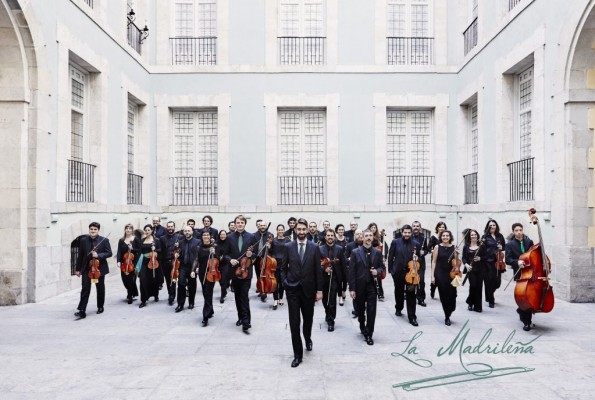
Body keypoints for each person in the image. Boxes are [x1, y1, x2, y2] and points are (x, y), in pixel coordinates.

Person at [280, 218, 324, 367]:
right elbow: (282, 268)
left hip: (308, 291)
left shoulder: (314, 247)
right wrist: (285, 283)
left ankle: (308, 338)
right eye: (298, 229)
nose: (301, 232)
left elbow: (318, 271)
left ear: (307, 230)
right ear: (295, 230)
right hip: (292, 290)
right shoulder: (288, 247)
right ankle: (297, 355)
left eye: (303, 229)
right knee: (294, 323)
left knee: (308, 320)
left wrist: (319, 290)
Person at [349, 229, 384, 345]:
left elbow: (382, 268)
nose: (368, 238)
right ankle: (361, 324)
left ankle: (369, 334)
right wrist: (352, 289)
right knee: (360, 310)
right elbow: (352, 271)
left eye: (370, 236)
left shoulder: (378, 252)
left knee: (372, 310)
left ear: (373, 238)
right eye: (366, 236)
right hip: (359, 287)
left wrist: (377, 272)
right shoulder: (355, 252)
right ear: (362, 238)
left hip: (372, 287)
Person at [74, 222, 113, 319]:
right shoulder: (83, 240)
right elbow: (81, 256)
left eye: (95, 229)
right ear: (89, 230)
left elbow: (109, 253)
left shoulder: (104, 240)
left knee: (100, 288)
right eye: (91, 229)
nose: (93, 231)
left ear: (98, 230)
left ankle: (100, 306)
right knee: (85, 289)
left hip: (99, 269)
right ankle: (82, 310)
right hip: (87, 268)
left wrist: (98, 255)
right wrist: (78, 269)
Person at [227, 215, 256, 333]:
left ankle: (246, 322)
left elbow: (256, 254)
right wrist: (230, 259)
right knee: (237, 296)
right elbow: (225, 253)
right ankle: (240, 316)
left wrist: (251, 255)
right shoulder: (229, 237)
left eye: (242, 223)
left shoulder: (251, 237)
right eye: (238, 223)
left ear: (245, 224)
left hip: (246, 271)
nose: (240, 224)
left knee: (244, 296)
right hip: (234, 271)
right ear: (235, 224)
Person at [387, 225, 420, 326]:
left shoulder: (416, 244)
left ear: (411, 233)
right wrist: (391, 270)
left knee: (411, 294)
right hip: (398, 272)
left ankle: (412, 317)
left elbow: (419, 259)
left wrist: (417, 258)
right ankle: (399, 307)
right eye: (405, 232)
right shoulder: (395, 242)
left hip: (411, 273)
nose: (407, 234)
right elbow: (390, 256)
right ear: (402, 232)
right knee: (399, 291)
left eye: (409, 233)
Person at [505, 223, 535, 331]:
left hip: (531, 273)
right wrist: (517, 262)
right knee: (523, 297)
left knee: (530, 296)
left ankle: (525, 315)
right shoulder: (510, 245)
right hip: (520, 274)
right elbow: (507, 260)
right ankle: (526, 321)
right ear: (513, 232)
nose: (519, 232)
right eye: (516, 230)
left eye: (520, 230)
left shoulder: (529, 242)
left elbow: (534, 255)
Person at [319, 229, 346, 332]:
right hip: (323, 278)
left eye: (331, 235)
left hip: (335, 278)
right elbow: (317, 264)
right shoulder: (320, 249)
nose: (330, 237)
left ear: (334, 237)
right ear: (325, 237)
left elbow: (343, 265)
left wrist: (344, 283)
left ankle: (331, 321)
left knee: (332, 300)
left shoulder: (339, 249)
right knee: (324, 299)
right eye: (328, 235)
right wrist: (324, 269)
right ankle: (327, 312)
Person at [194, 231, 222, 327]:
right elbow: (196, 259)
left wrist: (214, 253)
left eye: (207, 235)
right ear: (202, 237)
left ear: (210, 237)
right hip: (202, 272)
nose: (206, 236)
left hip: (212, 272)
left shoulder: (215, 247)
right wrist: (193, 270)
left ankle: (205, 316)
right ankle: (210, 310)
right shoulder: (199, 247)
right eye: (204, 235)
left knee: (208, 292)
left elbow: (219, 259)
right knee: (205, 292)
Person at [431, 230, 458, 326]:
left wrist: (458, 254)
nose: (445, 237)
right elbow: (434, 262)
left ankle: (450, 310)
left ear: (450, 237)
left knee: (453, 295)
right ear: (441, 237)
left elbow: (457, 262)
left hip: (451, 273)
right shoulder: (437, 247)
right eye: (443, 236)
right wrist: (432, 276)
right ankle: (447, 316)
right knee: (443, 295)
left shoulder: (454, 247)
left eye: (447, 235)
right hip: (440, 273)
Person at [174, 226, 200, 312]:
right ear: (183, 232)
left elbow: (199, 256)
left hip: (193, 266)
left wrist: (197, 267)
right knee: (181, 284)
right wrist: (176, 254)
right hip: (183, 266)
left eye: (189, 231)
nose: (187, 232)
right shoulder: (180, 242)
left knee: (192, 285)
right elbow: (176, 252)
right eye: (185, 231)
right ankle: (180, 304)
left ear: (192, 232)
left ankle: (191, 302)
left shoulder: (198, 242)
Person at [481, 220, 506, 308]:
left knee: (497, 283)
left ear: (496, 226)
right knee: (489, 281)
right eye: (490, 225)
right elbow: (481, 249)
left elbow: (504, 246)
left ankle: (488, 294)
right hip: (488, 262)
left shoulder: (500, 236)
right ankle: (491, 299)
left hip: (498, 262)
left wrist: (501, 247)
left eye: (494, 225)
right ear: (487, 227)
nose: (492, 227)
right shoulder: (485, 237)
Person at [138, 224, 163, 308]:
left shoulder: (156, 240)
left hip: (153, 262)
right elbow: (140, 251)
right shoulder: (142, 240)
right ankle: (143, 300)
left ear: (151, 231)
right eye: (145, 230)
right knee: (142, 280)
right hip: (144, 262)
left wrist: (154, 250)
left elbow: (160, 250)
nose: (147, 231)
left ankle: (155, 295)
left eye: (148, 230)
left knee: (153, 279)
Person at [116, 223, 140, 304]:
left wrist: (132, 248)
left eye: (130, 229)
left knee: (131, 280)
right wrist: (118, 261)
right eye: (127, 228)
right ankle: (132, 292)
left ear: (132, 230)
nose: (128, 230)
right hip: (124, 263)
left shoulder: (135, 239)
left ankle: (130, 296)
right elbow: (119, 252)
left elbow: (139, 250)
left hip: (133, 262)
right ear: (125, 230)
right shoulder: (121, 240)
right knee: (125, 280)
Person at [462, 229, 485, 312]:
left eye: (475, 234)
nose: (474, 236)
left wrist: (480, 258)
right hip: (471, 269)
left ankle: (478, 306)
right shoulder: (466, 247)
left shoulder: (482, 246)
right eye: (472, 235)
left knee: (479, 287)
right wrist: (466, 265)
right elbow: (463, 258)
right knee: (473, 286)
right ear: (470, 237)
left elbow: (486, 257)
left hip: (480, 269)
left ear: (477, 236)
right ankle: (470, 302)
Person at [159, 221, 181, 306]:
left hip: (174, 261)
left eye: (172, 226)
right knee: (168, 280)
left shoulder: (179, 237)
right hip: (165, 261)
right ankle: (170, 293)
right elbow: (160, 250)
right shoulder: (162, 238)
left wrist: (178, 249)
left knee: (174, 278)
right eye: (168, 226)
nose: (170, 228)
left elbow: (181, 249)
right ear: (167, 227)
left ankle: (172, 296)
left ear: (174, 227)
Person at [271, 224, 290, 310]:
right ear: (277, 231)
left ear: (284, 230)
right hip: (274, 264)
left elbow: (290, 252)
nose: (280, 231)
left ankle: (281, 298)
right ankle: (275, 300)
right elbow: (270, 251)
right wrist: (268, 246)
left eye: (282, 230)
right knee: (275, 283)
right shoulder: (273, 241)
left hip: (284, 264)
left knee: (282, 283)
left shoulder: (287, 240)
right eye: (279, 230)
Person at [345, 229, 363, 318]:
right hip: (354, 271)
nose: (359, 235)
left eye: (360, 234)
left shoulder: (365, 244)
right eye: (357, 234)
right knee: (354, 291)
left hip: (364, 272)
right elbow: (346, 257)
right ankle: (356, 310)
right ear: (354, 235)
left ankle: (362, 309)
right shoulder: (349, 245)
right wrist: (350, 260)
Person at [253, 220, 272, 301]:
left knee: (264, 275)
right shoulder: (254, 235)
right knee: (258, 275)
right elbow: (252, 247)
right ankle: (260, 289)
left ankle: (264, 291)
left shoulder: (270, 235)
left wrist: (270, 245)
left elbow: (272, 246)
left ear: (266, 226)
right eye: (261, 225)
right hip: (257, 258)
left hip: (265, 258)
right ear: (258, 226)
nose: (262, 227)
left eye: (264, 225)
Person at [411, 221, 429, 307]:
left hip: (421, 262)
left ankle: (421, 298)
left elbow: (426, 249)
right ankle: (410, 296)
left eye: (417, 226)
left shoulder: (423, 238)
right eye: (414, 226)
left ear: (420, 228)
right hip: (410, 262)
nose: (416, 227)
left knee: (421, 280)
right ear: (412, 227)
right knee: (410, 280)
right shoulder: (408, 236)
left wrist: (424, 252)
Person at [428, 222, 447, 299]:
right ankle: (432, 289)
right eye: (440, 227)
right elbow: (429, 248)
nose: (442, 228)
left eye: (443, 227)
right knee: (436, 275)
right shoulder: (433, 237)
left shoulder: (446, 237)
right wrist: (434, 251)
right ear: (437, 228)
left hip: (444, 258)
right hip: (436, 259)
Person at [368, 222, 387, 300]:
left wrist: (384, 256)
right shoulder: (368, 236)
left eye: (374, 228)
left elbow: (385, 248)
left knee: (378, 276)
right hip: (369, 257)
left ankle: (380, 293)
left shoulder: (380, 237)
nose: (373, 229)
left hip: (377, 258)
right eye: (371, 227)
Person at [216, 230, 232, 303]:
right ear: (219, 235)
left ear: (226, 235)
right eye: (221, 234)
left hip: (226, 263)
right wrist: (219, 257)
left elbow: (230, 252)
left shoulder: (229, 243)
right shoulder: (216, 243)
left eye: (224, 234)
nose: (222, 236)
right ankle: (224, 290)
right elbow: (215, 253)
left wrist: (225, 257)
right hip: (218, 263)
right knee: (219, 279)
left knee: (223, 279)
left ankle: (222, 295)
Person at [334, 224, 348, 306]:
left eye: (342, 229)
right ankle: (340, 297)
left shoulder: (347, 240)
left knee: (345, 280)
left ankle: (343, 291)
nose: (341, 231)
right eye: (339, 230)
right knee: (339, 280)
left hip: (346, 263)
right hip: (338, 263)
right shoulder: (335, 240)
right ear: (337, 231)